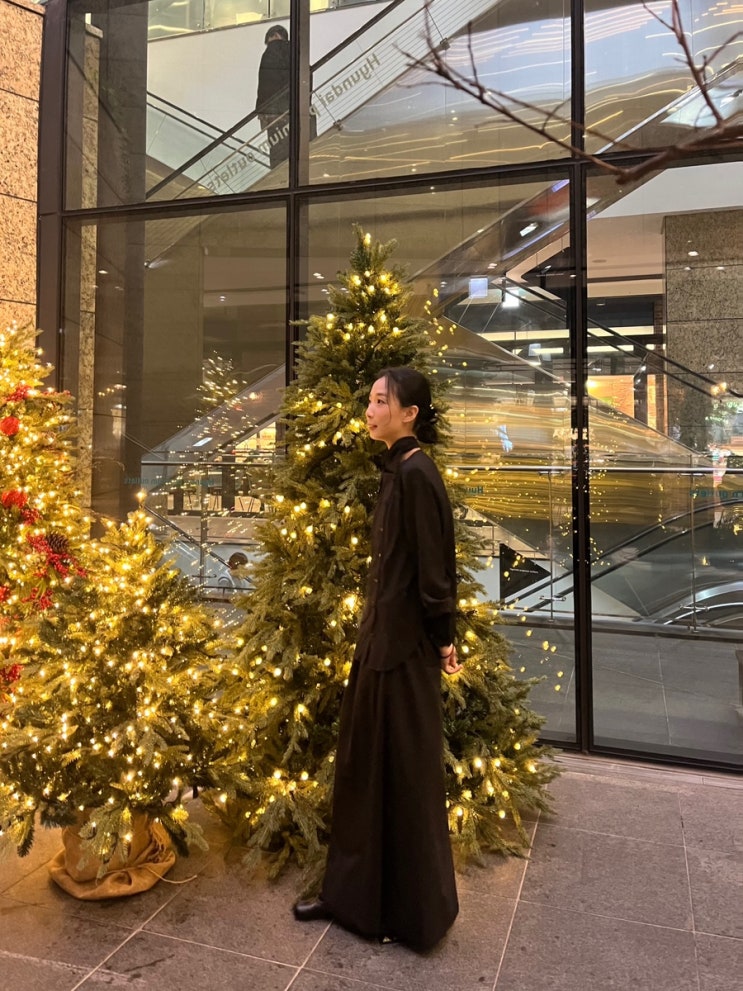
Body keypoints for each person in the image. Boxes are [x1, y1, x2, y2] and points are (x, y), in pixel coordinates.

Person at [293, 366, 462, 951]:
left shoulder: (417, 474)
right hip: (381, 642)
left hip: (403, 651)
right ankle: (357, 901)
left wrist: (444, 638)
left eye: (380, 401)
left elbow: (435, 570)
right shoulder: (398, 469)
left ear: (409, 413)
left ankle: (408, 917)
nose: (369, 410)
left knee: (402, 777)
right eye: (370, 400)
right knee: (367, 770)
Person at [255, 24, 290, 169]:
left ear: (275, 35)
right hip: (295, 112)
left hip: (275, 114)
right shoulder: (297, 51)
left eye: (269, 40)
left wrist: (261, 111)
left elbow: (265, 84)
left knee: (277, 152)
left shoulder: (270, 53)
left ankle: (279, 179)